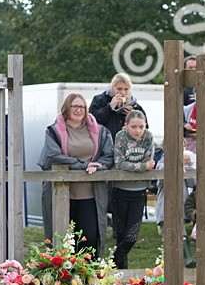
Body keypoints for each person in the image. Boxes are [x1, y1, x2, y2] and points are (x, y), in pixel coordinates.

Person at [38, 94, 114, 257]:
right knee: (61, 240)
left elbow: (109, 155)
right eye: (75, 106)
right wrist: (83, 165)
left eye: (82, 107)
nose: (79, 110)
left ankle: (89, 278)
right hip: (61, 193)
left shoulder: (100, 131)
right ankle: (65, 279)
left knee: (90, 238)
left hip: (90, 194)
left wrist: (98, 166)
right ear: (66, 108)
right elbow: (53, 156)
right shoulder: (53, 131)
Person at [111, 110, 155, 269]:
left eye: (141, 127)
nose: (138, 130)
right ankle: (120, 272)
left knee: (131, 236)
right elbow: (120, 163)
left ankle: (110, 263)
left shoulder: (148, 137)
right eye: (134, 126)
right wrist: (142, 167)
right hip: (120, 191)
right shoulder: (120, 137)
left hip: (139, 191)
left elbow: (150, 160)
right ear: (126, 126)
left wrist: (140, 166)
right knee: (121, 235)